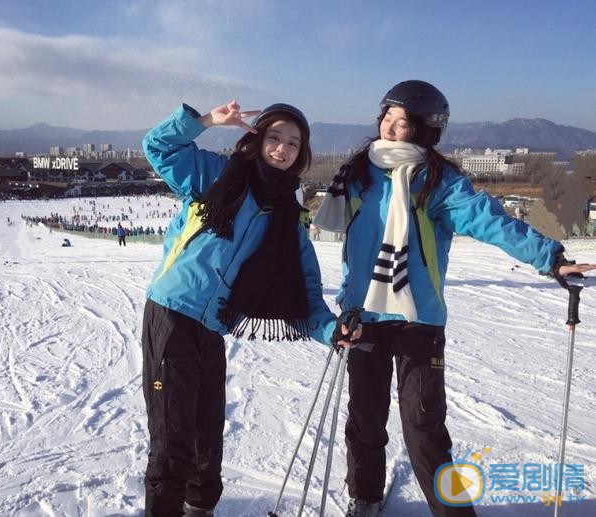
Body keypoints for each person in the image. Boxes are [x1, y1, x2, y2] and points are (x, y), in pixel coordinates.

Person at [313, 80, 596, 517]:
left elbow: (491, 221)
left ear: (424, 131)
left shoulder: (437, 182)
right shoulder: (355, 172)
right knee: (365, 421)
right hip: (362, 315)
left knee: (423, 428)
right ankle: (365, 496)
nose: (389, 127)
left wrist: (550, 258)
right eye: (386, 116)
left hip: (417, 320)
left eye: (401, 122)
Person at [141, 100, 340, 516]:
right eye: (275, 137)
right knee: (172, 438)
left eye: (292, 143)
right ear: (257, 138)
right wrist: (207, 121)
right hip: (172, 312)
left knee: (206, 440)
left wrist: (331, 331)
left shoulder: (285, 213)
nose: (282, 149)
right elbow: (157, 147)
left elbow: (306, 284)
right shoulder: (217, 174)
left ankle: (200, 511)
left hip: (212, 326)